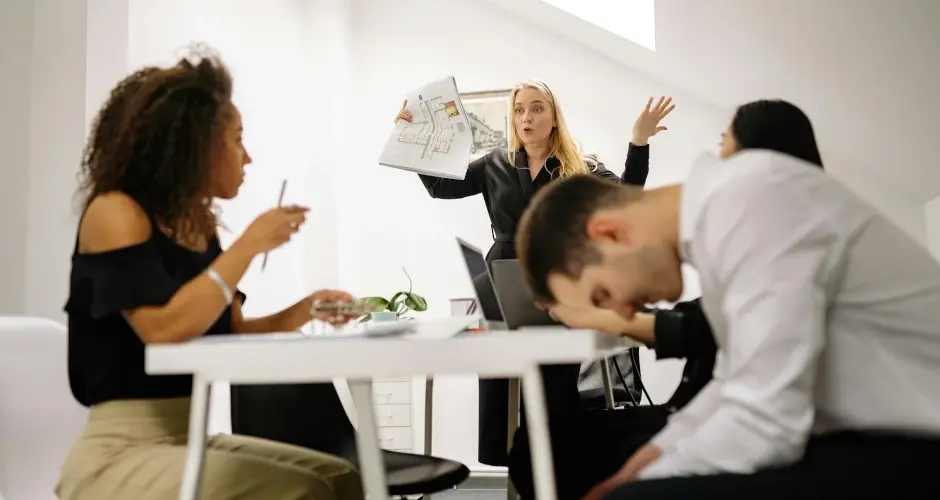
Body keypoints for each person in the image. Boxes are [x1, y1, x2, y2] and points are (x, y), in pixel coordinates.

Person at [515, 102, 940, 498]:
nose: (623, 314)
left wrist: (635, 483)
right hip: (873, 436)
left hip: (916, 445)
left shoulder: (748, 200)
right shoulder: (721, 214)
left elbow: (766, 422)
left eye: (603, 294)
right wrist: (654, 456)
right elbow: (734, 381)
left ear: (609, 233)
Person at [57, 48, 365, 500]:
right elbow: (164, 329)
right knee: (303, 490)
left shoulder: (197, 226)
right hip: (117, 453)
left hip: (187, 437)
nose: (248, 157)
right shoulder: (114, 213)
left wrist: (302, 311)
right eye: (237, 140)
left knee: (341, 478)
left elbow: (229, 329)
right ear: (195, 145)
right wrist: (248, 244)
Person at [395, 81, 676, 474]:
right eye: (520, 109)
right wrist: (413, 140)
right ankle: (516, 465)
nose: (527, 117)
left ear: (554, 117)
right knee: (500, 372)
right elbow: (441, 188)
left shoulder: (580, 166)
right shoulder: (494, 163)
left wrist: (639, 141)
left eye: (537, 108)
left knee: (554, 376)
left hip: (557, 280)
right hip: (503, 275)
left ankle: (556, 465)